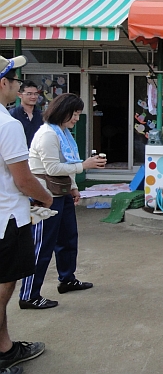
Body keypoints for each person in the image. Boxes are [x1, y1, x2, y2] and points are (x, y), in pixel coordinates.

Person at [19, 93, 106, 310]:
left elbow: (68, 163)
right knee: (42, 246)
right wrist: (84, 166)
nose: (77, 118)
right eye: (74, 114)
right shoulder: (48, 134)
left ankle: (67, 279)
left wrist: (73, 187)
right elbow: (52, 168)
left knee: (68, 239)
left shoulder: (64, 133)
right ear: (62, 111)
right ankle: (29, 295)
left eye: (78, 114)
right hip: (45, 197)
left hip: (61, 192)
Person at [0, 56, 52, 372]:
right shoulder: (8, 123)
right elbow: (23, 179)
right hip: (7, 218)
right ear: (3, 83)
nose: (20, 86)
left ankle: (5, 349)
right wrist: (45, 197)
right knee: (3, 287)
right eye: (17, 80)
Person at [9, 80, 42, 148]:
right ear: (20, 95)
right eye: (29, 94)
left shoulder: (43, 115)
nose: (33, 97)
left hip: (38, 153)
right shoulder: (12, 115)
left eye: (35, 94)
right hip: (18, 152)